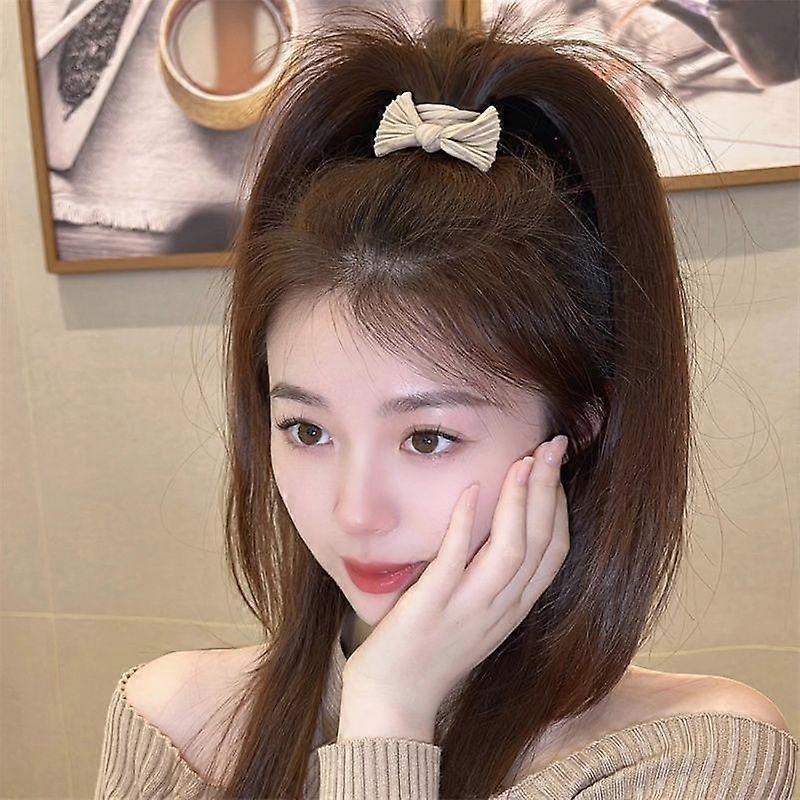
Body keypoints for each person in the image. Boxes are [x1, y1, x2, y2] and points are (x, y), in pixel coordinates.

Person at [93, 4, 797, 799]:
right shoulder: (176, 725)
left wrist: (389, 712)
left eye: (427, 438)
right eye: (306, 429)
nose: (356, 513)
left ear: (576, 429)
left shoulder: (699, 756)